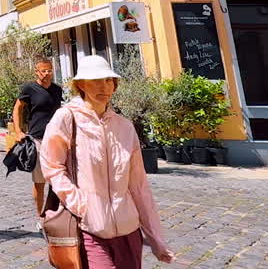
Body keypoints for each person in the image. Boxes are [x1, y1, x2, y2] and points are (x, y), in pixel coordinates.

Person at [40, 56, 174, 268]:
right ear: (81, 85)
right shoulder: (66, 118)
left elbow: (138, 186)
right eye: (96, 80)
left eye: (108, 81)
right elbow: (52, 167)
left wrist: (156, 238)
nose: (104, 87)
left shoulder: (125, 126)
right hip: (91, 230)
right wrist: (81, 204)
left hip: (129, 232)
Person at [13, 55, 63, 229]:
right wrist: (18, 131)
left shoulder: (57, 90)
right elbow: (18, 108)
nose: (47, 74)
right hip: (38, 139)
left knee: (57, 179)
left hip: (56, 139)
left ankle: (54, 212)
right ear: (37, 71)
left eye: (50, 70)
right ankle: (40, 215)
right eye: (44, 71)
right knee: (39, 181)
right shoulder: (30, 89)